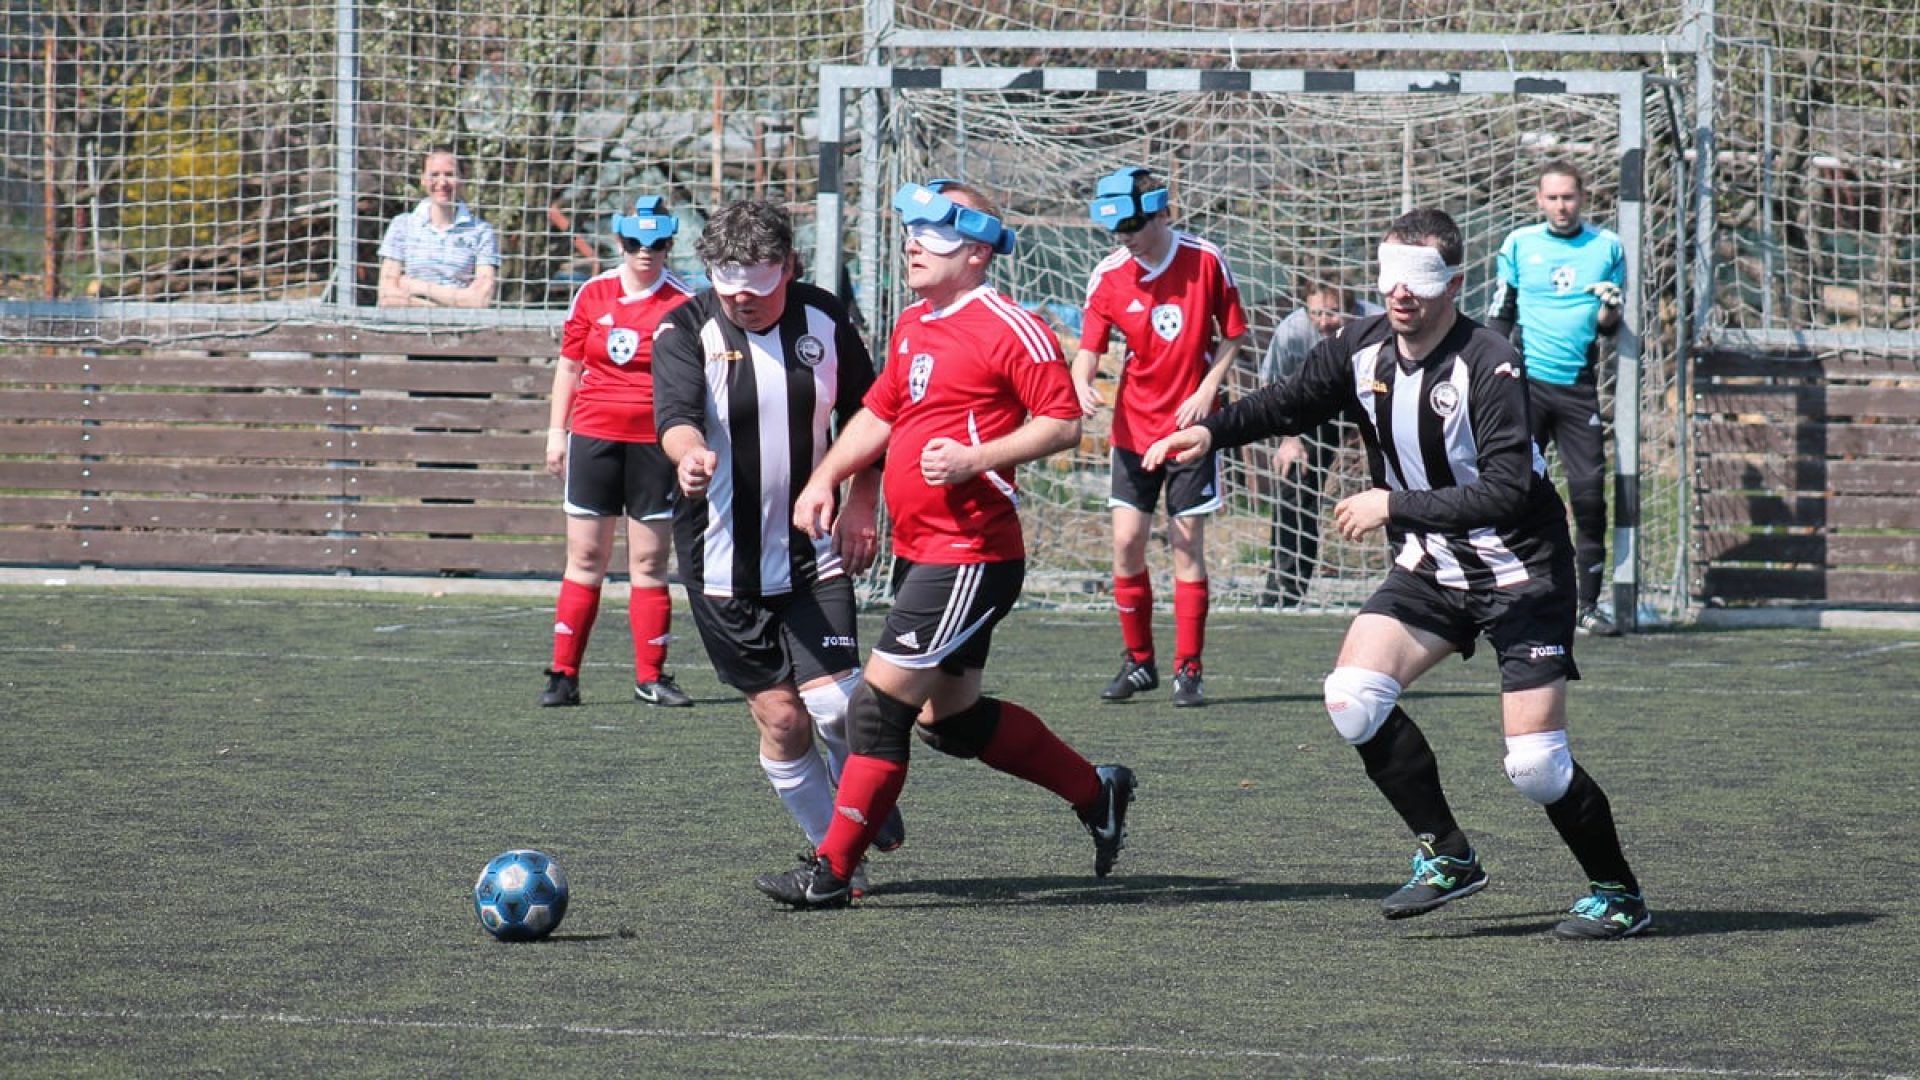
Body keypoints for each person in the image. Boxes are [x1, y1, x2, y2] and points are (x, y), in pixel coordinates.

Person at [1144, 208, 1650, 940]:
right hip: (1430, 567)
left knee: (1536, 767)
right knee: (1353, 697)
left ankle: (1618, 893)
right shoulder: (1360, 345)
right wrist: (1211, 430)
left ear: (1454, 283)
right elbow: (1290, 399)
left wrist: (1392, 503)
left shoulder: (1491, 361)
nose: (1400, 292)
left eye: (1418, 278)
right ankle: (1449, 855)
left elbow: (1511, 488)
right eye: (1388, 276)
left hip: (1521, 572)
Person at [754, 179, 1136, 909]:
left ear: (978, 247)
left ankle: (830, 872)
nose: (912, 244)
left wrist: (975, 459)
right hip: (928, 553)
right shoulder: (916, 324)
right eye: (908, 231)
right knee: (950, 722)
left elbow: (1062, 423)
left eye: (930, 231)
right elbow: (880, 412)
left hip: (972, 554)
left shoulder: (1008, 325)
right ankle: (1099, 791)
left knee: (875, 712)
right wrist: (825, 476)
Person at [650, 199, 902, 893]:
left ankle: (864, 794)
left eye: (758, 288)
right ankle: (837, 855)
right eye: (729, 286)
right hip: (724, 563)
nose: (743, 301)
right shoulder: (683, 330)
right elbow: (674, 420)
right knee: (786, 720)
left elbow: (871, 412)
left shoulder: (823, 317)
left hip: (811, 550)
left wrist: (860, 498)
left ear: (788, 269)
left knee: (841, 706)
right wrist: (691, 454)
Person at [1071, 167, 1248, 708]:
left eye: (1132, 226)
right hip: (1132, 428)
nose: (1123, 238)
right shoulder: (1109, 274)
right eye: (1115, 229)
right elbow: (1089, 349)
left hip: (1190, 433)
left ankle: (1187, 667)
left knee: (1185, 545)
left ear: (1162, 214)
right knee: (1125, 543)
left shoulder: (1205, 260)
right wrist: (1080, 382)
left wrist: (1207, 391)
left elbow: (1234, 335)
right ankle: (1139, 662)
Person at [538, 196, 695, 710]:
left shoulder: (685, 303)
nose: (645, 253)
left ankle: (650, 676)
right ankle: (564, 675)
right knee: (585, 557)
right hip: (594, 439)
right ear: (620, 243)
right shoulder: (593, 293)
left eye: (657, 244)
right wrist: (556, 433)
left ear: (670, 245)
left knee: (649, 562)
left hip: (655, 444)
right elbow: (569, 367)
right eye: (634, 243)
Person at [1487, 159, 1628, 637]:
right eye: (1552, 197)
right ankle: (1500, 593)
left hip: (1577, 390)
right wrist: (1488, 376)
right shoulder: (1519, 244)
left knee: (1590, 497)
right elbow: (1501, 313)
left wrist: (1611, 308)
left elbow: (1609, 328)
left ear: (1582, 197)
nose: (1561, 206)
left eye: (1569, 196)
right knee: (1509, 492)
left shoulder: (1607, 247)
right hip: (1526, 390)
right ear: (1538, 199)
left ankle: (1588, 606)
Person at [1252, 280, 1382, 608]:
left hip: (1376, 398)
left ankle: (1421, 579)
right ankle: (1284, 589)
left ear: (1351, 309)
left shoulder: (1380, 325)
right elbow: (1272, 388)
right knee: (1296, 478)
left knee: (1408, 478)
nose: (1324, 321)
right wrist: (1290, 439)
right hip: (1317, 403)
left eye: (1333, 313)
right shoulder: (1292, 332)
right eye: (1316, 313)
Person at [377, 146, 499, 308]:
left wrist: (417, 287)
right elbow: (387, 296)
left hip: (461, 331)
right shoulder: (402, 225)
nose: (442, 183)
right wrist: (448, 304)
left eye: (449, 174)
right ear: (422, 179)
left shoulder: (481, 231)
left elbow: (480, 300)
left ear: (462, 178)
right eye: (434, 174)